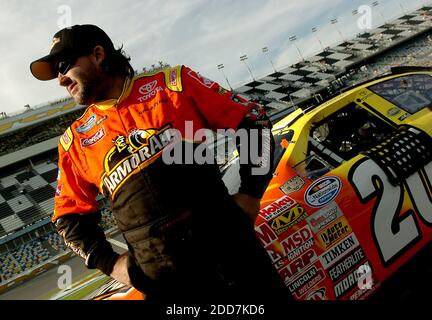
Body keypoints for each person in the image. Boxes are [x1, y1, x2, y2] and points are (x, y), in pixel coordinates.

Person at [30, 24, 289, 302]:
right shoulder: (76, 141)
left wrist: (250, 194)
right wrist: (111, 264)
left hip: (237, 264)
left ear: (97, 54)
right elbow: (68, 217)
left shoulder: (173, 83)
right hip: (166, 288)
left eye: (64, 65)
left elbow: (252, 120)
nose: (60, 79)